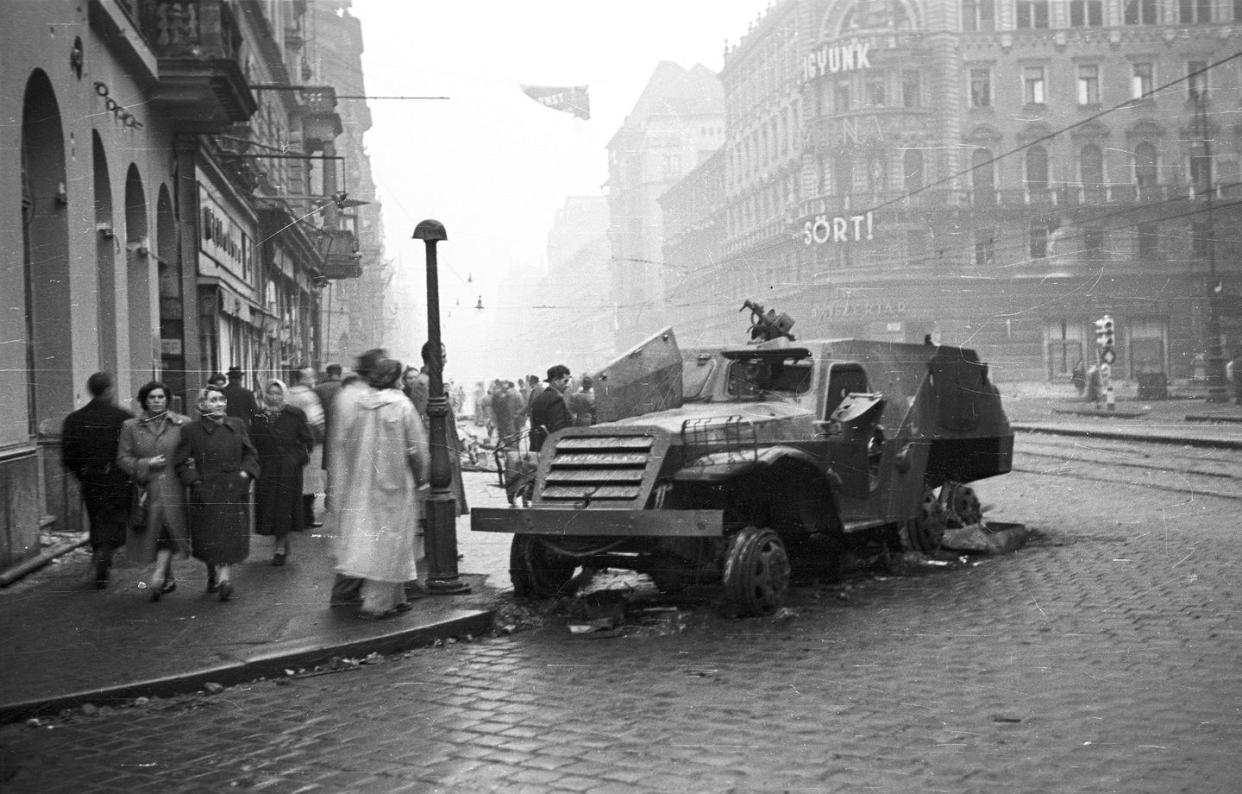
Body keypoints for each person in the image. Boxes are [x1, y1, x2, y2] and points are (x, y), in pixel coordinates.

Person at [328, 357, 429, 619]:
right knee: (394, 537)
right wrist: (422, 476)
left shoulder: (361, 404)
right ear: (395, 378)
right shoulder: (402, 405)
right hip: (395, 480)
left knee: (377, 537)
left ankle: (398, 597)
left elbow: (347, 443)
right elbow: (417, 447)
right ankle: (378, 603)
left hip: (364, 482)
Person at [174, 385, 260, 602]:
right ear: (202, 405)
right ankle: (213, 572)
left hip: (233, 488)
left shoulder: (237, 425)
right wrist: (194, 482)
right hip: (206, 491)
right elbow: (182, 461)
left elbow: (250, 453)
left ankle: (224, 580)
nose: (220, 403)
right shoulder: (191, 431)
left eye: (222, 399)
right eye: (213, 400)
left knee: (229, 536)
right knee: (210, 537)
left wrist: (246, 474)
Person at [117, 381, 192, 600]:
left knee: (168, 532)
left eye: (161, 397)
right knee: (157, 532)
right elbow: (122, 458)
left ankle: (158, 576)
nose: (157, 401)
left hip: (175, 489)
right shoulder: (130, 426)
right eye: (152, 397)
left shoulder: (183, 424)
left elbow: (192, 455)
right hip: (147, 490)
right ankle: (167, 577)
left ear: (167, 399)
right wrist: (146, 463)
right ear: (144, 401)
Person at [61, 372, 133, 588]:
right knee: (118, 516)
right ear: (109, 389)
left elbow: (68, 455)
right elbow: (131, 448)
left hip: (91, 477)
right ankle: (106, 550)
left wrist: (82, 474)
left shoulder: (75, 419)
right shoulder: (123, 417)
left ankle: (100, 550)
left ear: (91, 390)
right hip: (118, 476)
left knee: (97, 516)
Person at [251, 379, 314, 565]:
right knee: (270, 508)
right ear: (265, 395)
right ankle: (281, 543)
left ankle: (279, 548)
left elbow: (307, 441)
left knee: (284, 508)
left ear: (284, 394)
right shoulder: (258, 415)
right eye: (270, 393)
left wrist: (295, 459)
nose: (274, 397)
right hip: (266, 468)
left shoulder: (295, 414)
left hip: (288, 470)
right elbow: (252, 441)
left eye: (278, 393)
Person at [408, 341, 468, 515]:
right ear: (432, 358)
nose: (446, 360)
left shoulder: (432, 381)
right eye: (443, 356)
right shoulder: (422, 383)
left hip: (445, 448)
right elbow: (421, 423)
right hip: (437, 454)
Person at [286, 366, 325, 527]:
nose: (313, 380)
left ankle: (293, 517)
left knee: (294, 481)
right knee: (310, 483)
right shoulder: (309, 397)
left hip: (290, 445)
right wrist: (322, 437)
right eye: (310, 377)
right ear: (302, 378)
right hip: (309, 445)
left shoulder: (287, 393)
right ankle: (306, 518)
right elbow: (316, 421)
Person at [528, 364, 574, 452]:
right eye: (565, 381)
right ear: (556, 380)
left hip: (539, 448)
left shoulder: (539, 398)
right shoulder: (556, 400)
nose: (568, 385)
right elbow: (558, 430)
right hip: (553, 451)